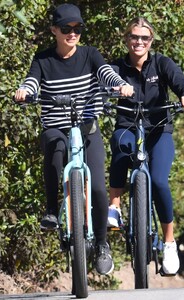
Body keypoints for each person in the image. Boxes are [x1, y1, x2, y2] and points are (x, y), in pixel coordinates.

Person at [14, 3, 134, 276]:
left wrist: (118, 85)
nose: (73, 33)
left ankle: (102, 245)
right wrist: (24, 90)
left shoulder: (90, 54)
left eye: (77, 28)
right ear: (54, 30)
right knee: (55, 149)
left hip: (87, 127)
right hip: (56, 126)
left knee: (99, 190)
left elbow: (106, 73)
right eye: (66, 29)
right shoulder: (43, 59)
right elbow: (32, 81)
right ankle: (51, 211)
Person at [107, 17, 184, 275]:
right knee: (121, 147)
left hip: (158, 130)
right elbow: (105, 82)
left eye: (144, 38)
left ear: (151, 41)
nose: (139, 42)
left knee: (158, 181)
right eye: (134, 37)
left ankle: (169, 241)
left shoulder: (162, 63)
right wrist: (113, 88)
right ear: (127, 39)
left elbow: (180, 82)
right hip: (128, 126)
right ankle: (115, 207)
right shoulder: (117, 67)